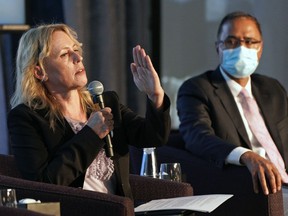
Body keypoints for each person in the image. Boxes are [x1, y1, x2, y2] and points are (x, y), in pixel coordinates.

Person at [7, 23, 171, 199]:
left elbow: (153, 136)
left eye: (76, 49)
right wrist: (91, 134)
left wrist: (155, 95)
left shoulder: (105, 103)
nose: (78, 57)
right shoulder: (26, 118)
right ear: (39, 72)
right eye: (64, 54)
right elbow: (43, 184)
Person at [177, 11, 288, 196]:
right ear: (218, 48)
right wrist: (246, 156)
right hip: (255, 190)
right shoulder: (197, 89)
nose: (241, 48)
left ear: (260, 49)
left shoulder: (272, 87)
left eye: (250, 42)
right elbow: (197, 137)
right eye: (231, 41)